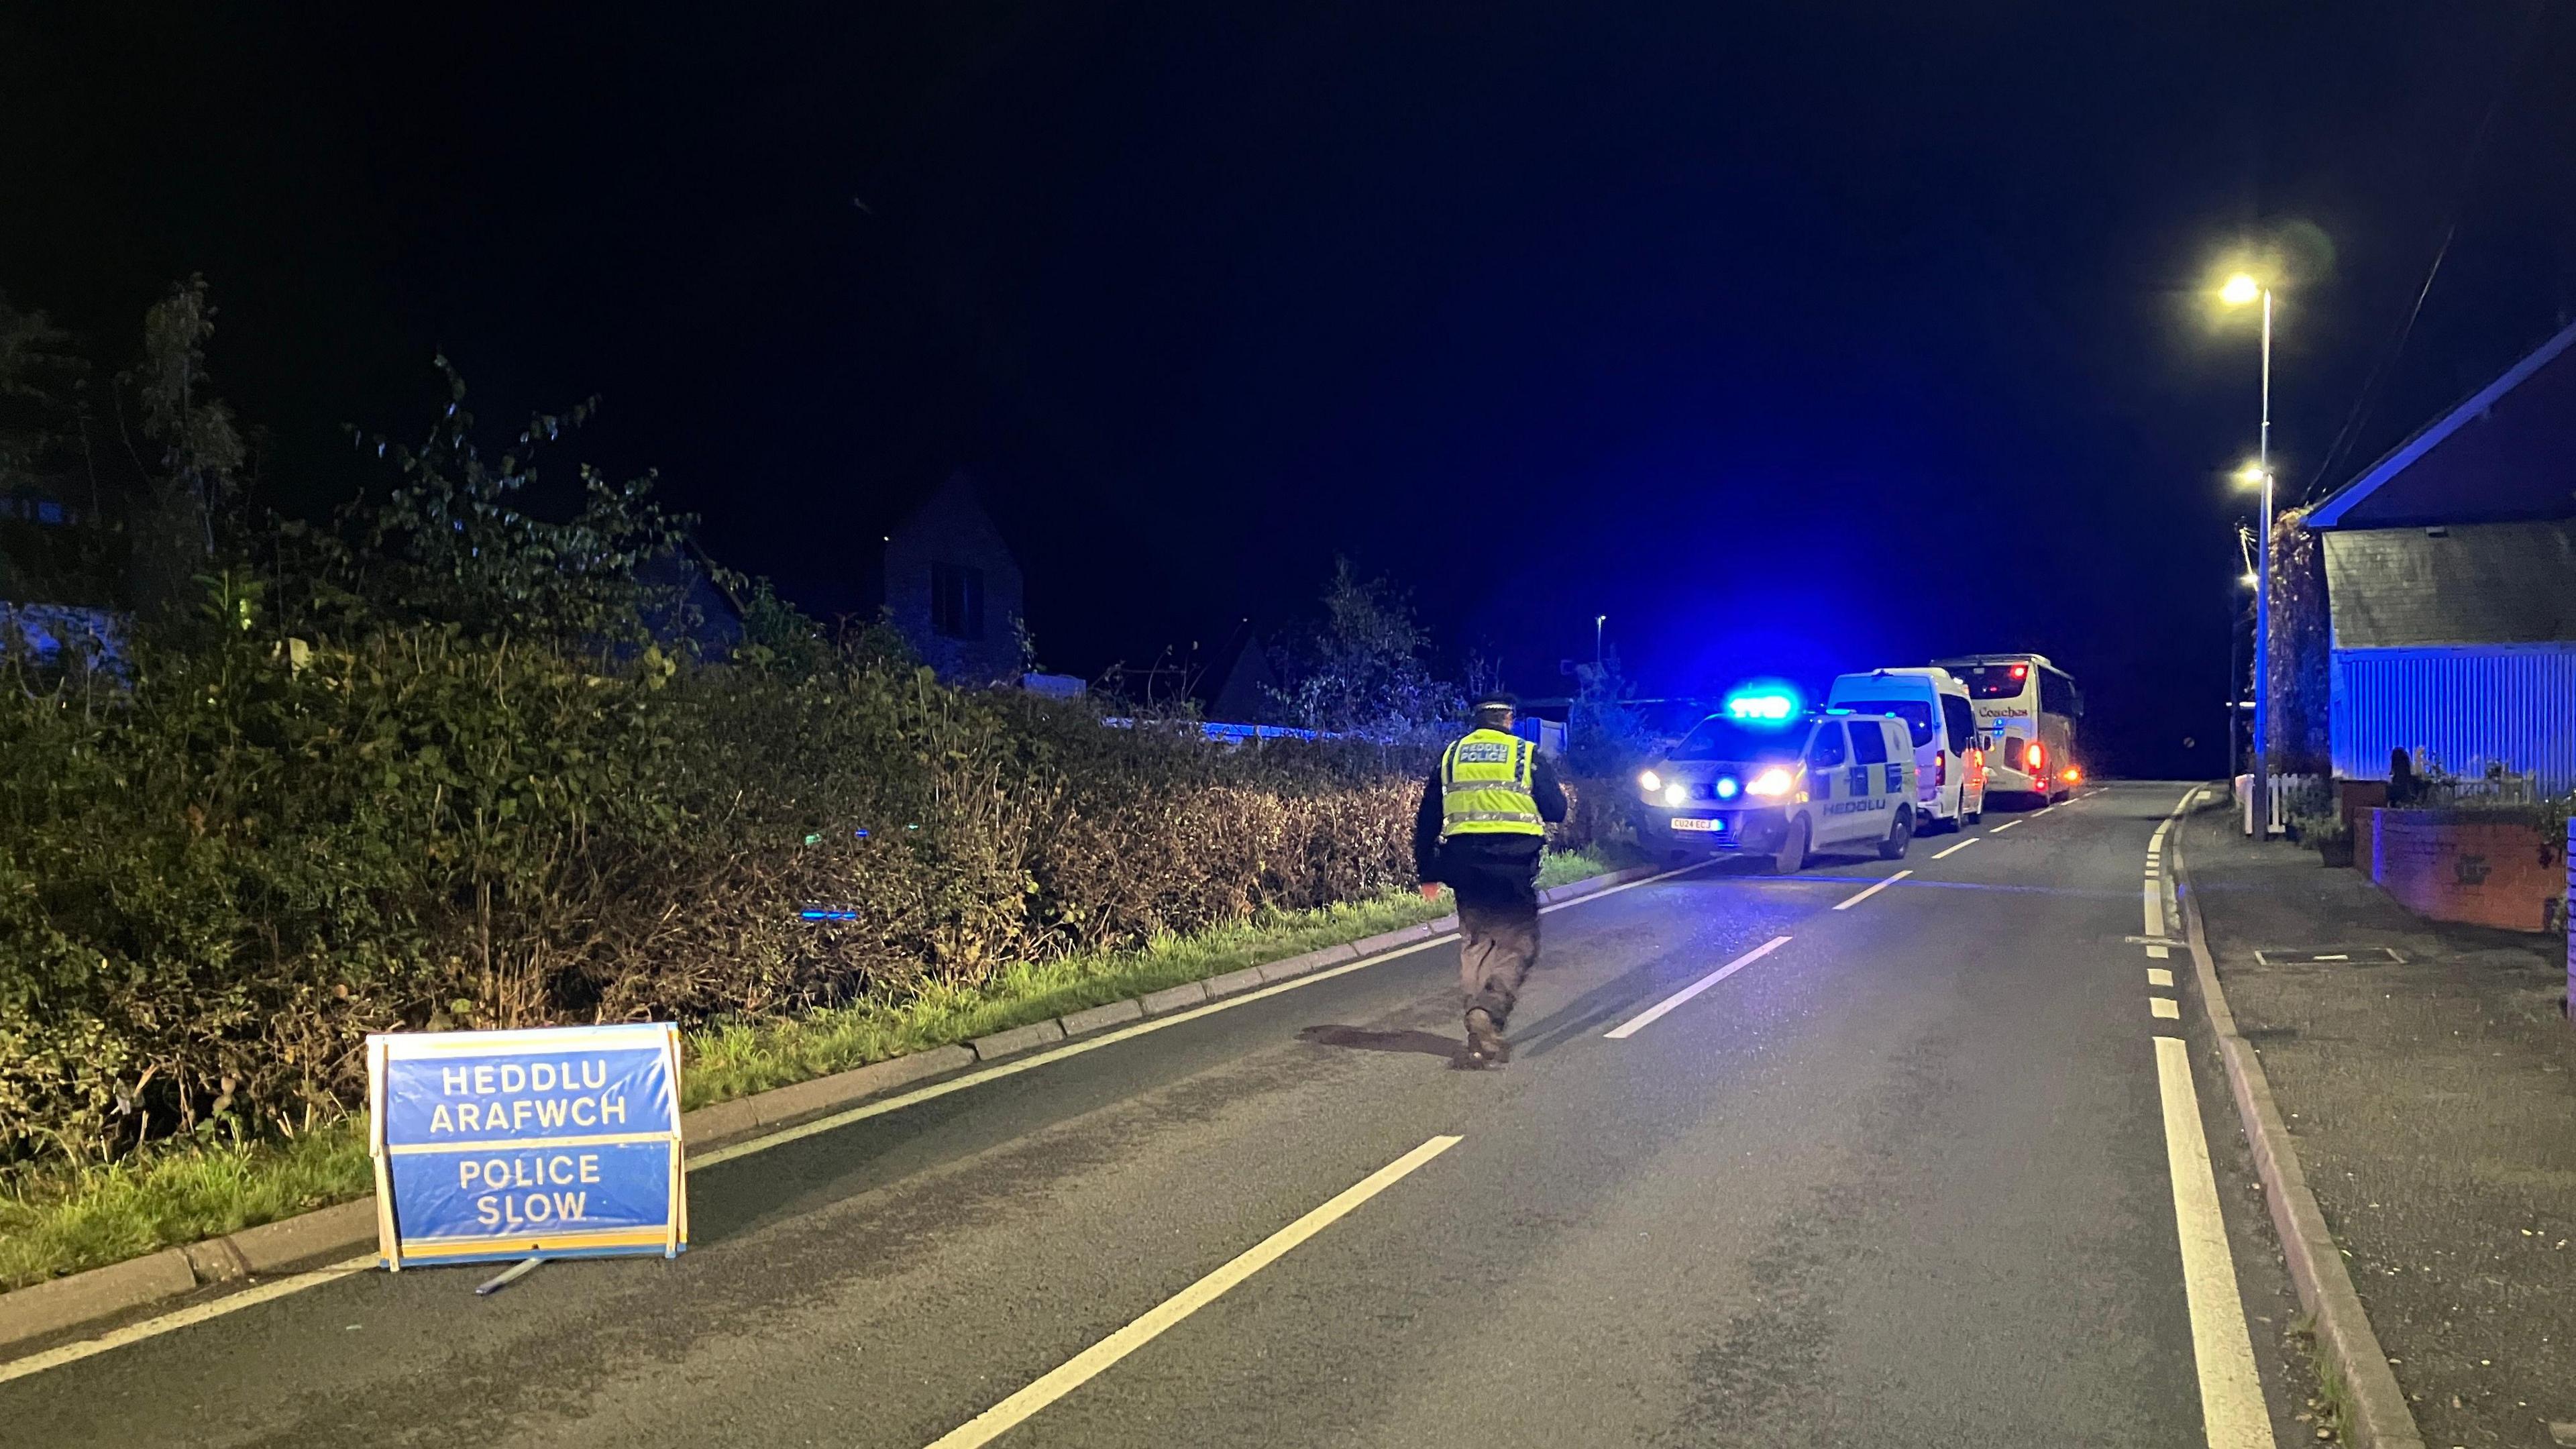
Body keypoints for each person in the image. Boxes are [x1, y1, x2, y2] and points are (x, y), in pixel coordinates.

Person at [1413, 692, 1567, 1067]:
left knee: (1476, 943)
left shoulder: (1451, 757)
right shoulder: (1525, 755)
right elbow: (1557, 810)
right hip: (1513, 868)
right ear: (1509, 719)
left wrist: (1428, 873)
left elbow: (1427, 817)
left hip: (1463, 867)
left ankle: (1475, 1028)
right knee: (1517, 945)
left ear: (1476, 720)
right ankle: (1489, 1011)